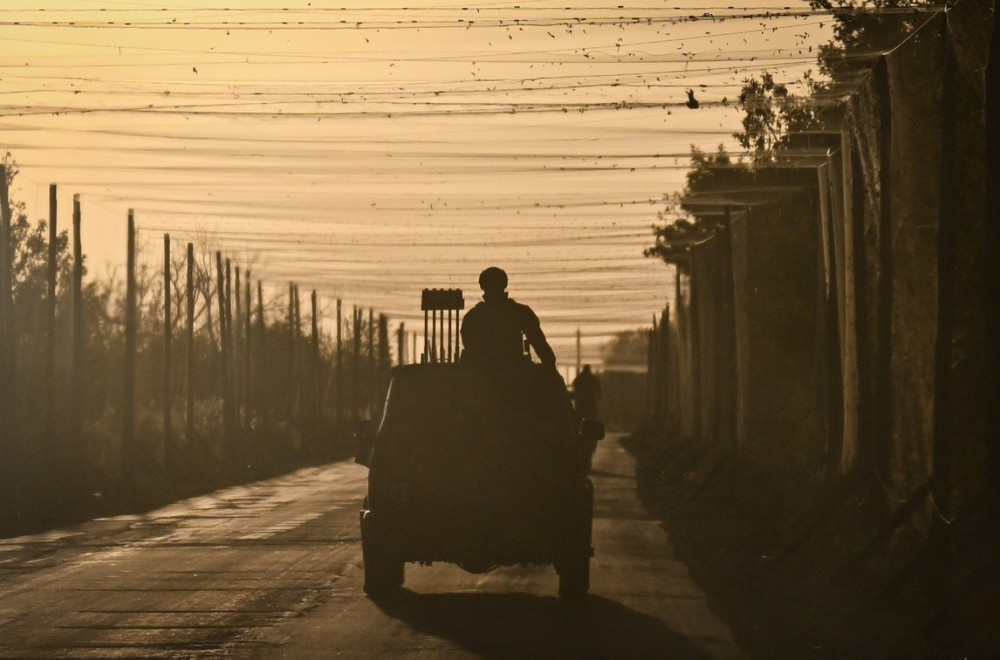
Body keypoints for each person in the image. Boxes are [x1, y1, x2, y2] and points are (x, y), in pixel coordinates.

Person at [460, 266, 556, 371]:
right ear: (505, 284)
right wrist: (550, 369)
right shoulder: (521, 312)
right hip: (515, 374)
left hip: (485, 375)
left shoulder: (473, 317)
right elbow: (541, 346)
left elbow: (470, 348)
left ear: (482, 286)